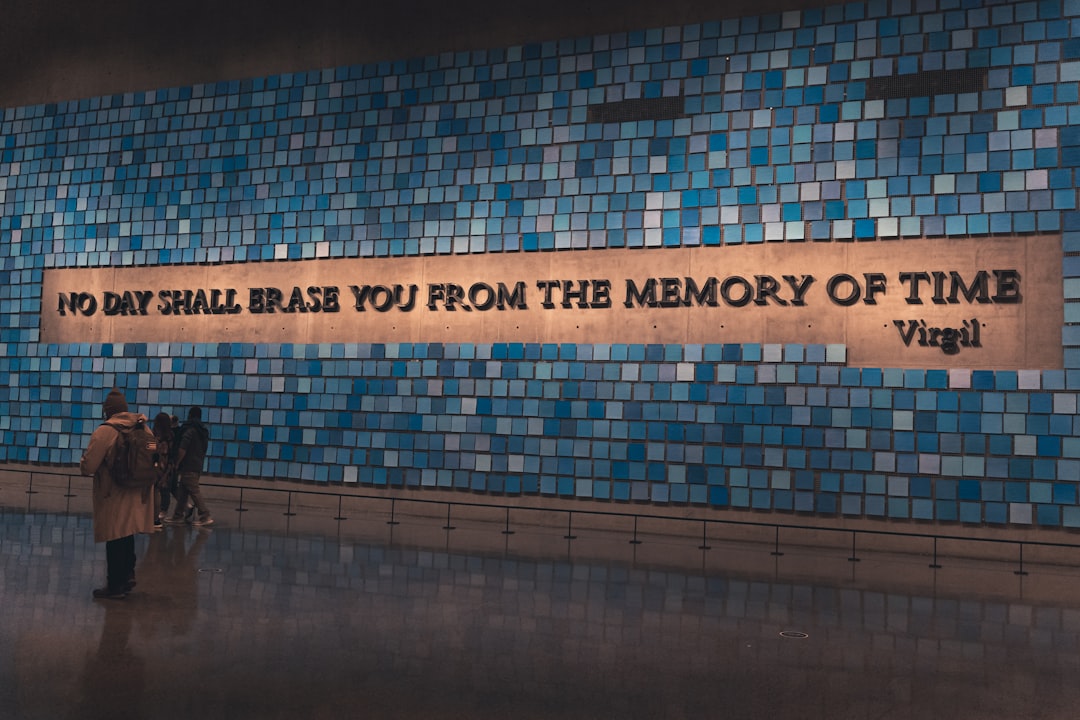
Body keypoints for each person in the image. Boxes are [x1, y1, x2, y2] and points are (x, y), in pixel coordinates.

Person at [79, 388, 155, 599]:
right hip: (138, 492)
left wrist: (83, 463)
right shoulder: (144, 428)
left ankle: (115, 586)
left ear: (108, 411)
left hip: (113, 493)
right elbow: (153, 452)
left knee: (114, 537)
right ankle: (128, 575)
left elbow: (89, 466)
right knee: (127, 534)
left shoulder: (105, 431)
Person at [164, 406, 213, 527]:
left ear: (190, 415)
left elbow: (183, 448)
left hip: (188, 465)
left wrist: (177, 462)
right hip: (197, 464)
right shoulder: (203, 431)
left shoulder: (189, 430)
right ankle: (178, 515)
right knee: (183, 491)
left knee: (193, 491)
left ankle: (205, 515)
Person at [151, 412, 175, 529]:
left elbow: (151, 451)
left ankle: (154, 518)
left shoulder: (154, 436)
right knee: (161, 492)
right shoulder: (171, 436)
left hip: (155, 466)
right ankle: (158, 516)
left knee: (155, 492)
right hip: (166, 467)